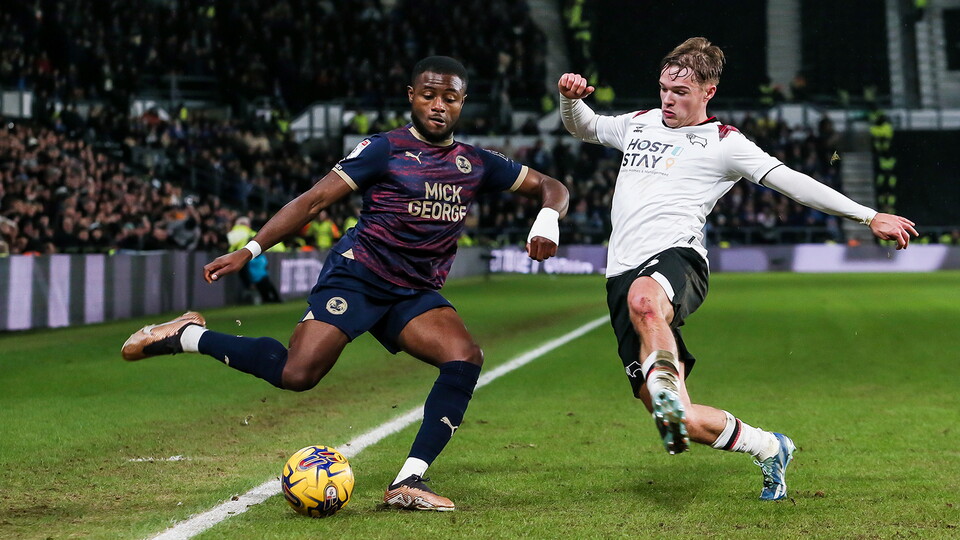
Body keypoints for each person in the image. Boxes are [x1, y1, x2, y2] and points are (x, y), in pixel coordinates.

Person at [121, 56, 569, 512]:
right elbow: (313, 201)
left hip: (412, 292)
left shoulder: (475, 162)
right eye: (429, 95)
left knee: (464, 357)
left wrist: (547, 218)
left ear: (462, 103)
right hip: (359, 277)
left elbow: (552, 186)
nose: (439, 105)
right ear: (411, 96)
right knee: (298, 374)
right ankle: (188, 336)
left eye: (449, 98)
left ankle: (408, 481)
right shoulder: (383, 149)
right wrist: (250, 249)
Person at [557, 37, 917, 501]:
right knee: (677, 417)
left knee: (644, 300)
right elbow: (585, 127)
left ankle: (664, 382)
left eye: (680, 92)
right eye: (664, 88)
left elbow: (793, 182)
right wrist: (569, 99)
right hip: (620, 272)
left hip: (678, 257)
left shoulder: (725, 144)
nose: (668, 99)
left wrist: (868, 216)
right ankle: (769, 446)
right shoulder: (639, 123)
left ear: (708, 92)